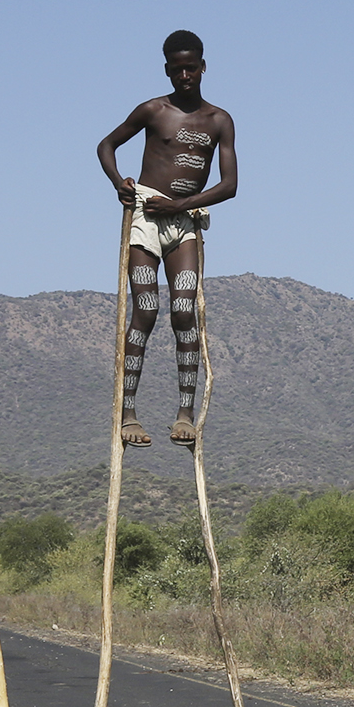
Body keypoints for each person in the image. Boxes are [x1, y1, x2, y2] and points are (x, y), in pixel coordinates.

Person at [94, 29, 238, 447]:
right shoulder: (153, 110)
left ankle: (185, 414)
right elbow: (106, 145)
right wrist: (118, 183)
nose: (185, 75)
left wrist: (181, 205)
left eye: (192, 67)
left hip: (184, 219)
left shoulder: (218, 120)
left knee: (183, 311)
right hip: (145, 216)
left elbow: (230, 185)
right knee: (146, 309)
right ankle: (128, 412)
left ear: (204, 67)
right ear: (167, 70)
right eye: (177, 69)